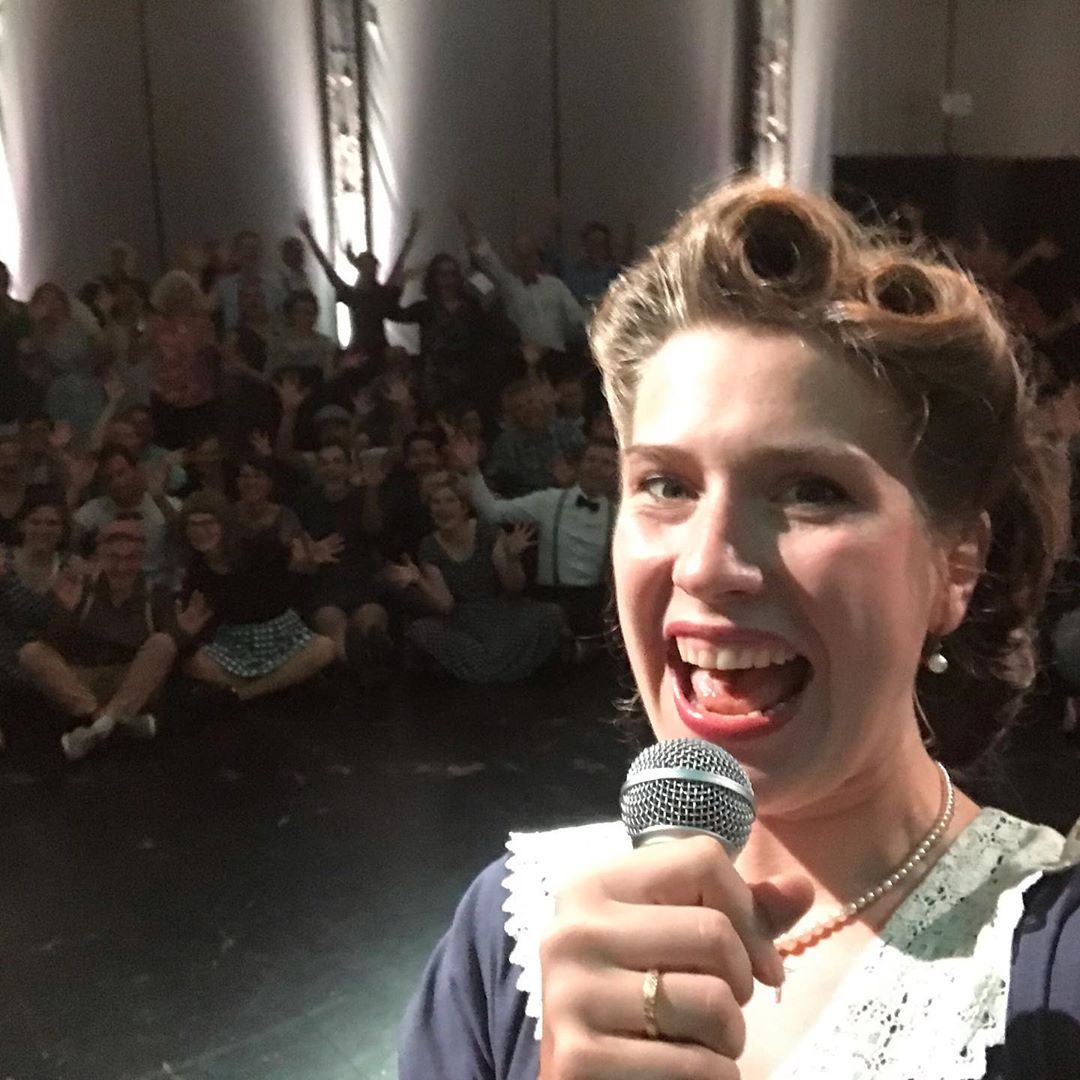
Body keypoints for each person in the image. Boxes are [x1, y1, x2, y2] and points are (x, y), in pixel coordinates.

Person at [399, 180, 1080, 1077]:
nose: (706, 564)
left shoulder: (1054, 973)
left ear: (955, 565)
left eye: (811, 491)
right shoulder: (509, 939)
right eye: (665, 485)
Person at [19, 519, 196, 761]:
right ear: (100, 557)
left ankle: (96, 729)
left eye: (130, 558)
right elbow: (53, 644)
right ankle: (109, 721)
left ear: (141, 559)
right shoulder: (78, 588)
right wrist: (67, 611)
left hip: (132, 682)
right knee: (31, 652)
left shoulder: (156, 595)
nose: (121, 567)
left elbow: (169, 650)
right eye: (114, 558)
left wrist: (182, 632)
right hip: (82, 682)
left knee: (163, 643)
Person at [449, 432, 618, 640]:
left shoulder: (623, 512)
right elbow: (493, 512)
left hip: (596, 601)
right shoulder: (549, 501)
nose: (596, 467)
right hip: (550, 598)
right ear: (579, 465)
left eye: (606, 463)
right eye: (591, 460)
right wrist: (472, 470)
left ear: (618, 471)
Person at [178, 491, 337, 704]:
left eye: (208, 523)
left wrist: (303, 564)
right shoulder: (196, 568)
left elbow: (292, 583)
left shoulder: (257, 546)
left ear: (224, 524)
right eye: (193, 525)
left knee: (324, 648)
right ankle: (274, 686)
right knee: (194, 663)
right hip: (234, 643)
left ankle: (243, 694)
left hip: (281, 635)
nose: (201, 532)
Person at [400, 478, 563, 684]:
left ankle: (486, 668)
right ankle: (497, 666)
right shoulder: (429, 546)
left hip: (502, 612)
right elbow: (445, 605)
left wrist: (512, 558)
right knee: (421, 630)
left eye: (450, 501)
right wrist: (419, 580)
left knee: (550, 614)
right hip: (463, 620)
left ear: (464, 506)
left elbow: (514, 587)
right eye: (436, 502)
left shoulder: (487, 532)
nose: (443, 508)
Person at [456, 206, 586, 354]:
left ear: (537, 257)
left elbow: (577, 316)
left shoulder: (555, 285)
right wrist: (466, 223)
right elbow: (485, 254)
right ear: (514, 259)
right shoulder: (508, 284)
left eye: (529, 255)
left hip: (556, 356)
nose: (525, 262)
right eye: (520, 256)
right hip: (523, 356)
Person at [298, 210, 420, 362]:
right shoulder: (357, 295)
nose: (370, 270)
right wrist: (309, 237)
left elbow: (397, 266)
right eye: (366, 266)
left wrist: (410, 237)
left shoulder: (373, 294)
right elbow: (328, 269)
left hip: (375, 351)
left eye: (371, 267)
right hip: (362, 350)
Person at [0, 493, 70, 750]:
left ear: (62, 529)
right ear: (22, 525)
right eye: (36, 522)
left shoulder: (71, 567)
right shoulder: (3, 561)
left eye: (52, 523)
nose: (44, 529)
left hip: (49, 655)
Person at [73, 444, 180, 586]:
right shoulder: (95, 508)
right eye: (109, 478)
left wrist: (159, 499)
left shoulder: (166, 504)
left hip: (157, 583)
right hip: (111, 583)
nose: (118, 482)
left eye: (121, 473)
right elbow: (65, 536)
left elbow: (184, 537)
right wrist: (76, 488)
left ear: (137, 470)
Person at [145, 270, 220, 449]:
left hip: (199, 396)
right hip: (165, 396)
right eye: (175, 290)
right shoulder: (155, 323)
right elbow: (141, 351)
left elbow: (212, 355)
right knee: (169, 449)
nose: (180, 295)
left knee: (202, 448)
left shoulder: (203, 322)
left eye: (184, 290)